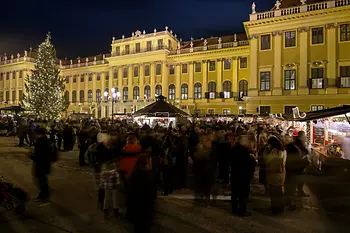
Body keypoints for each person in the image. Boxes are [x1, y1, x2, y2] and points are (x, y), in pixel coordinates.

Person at [127, 156, 157, 233]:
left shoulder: (133, 176)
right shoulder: (147, 176)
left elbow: (130, 194)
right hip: (144, 208)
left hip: (138, 208)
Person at [230, 135, 256, 216]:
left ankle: (234, 209)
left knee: (234, 192)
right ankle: (242, 211)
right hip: (244, 176)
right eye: (247, 141)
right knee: (243, 194)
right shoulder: (246, 152)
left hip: (235, 175)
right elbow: (251, 164)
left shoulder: (233, 149)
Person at [266, 136, 286, 215]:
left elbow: (268, 160)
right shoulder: (283, 151)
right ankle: (280, 208)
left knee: (274, 193)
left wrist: (266, 153)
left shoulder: (274, 151)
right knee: (279, 192)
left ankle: (275, 209)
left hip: (274, 174)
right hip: (281, 173)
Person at [31, 127, 52, 201]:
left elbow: (40, 155)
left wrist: (32, 156)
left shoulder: (41, 142)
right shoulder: (45, 140)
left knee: (42, 181)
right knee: (42, 180)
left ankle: (44, 195)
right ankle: (44, 194)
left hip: (41, 164)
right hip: (44, 164)